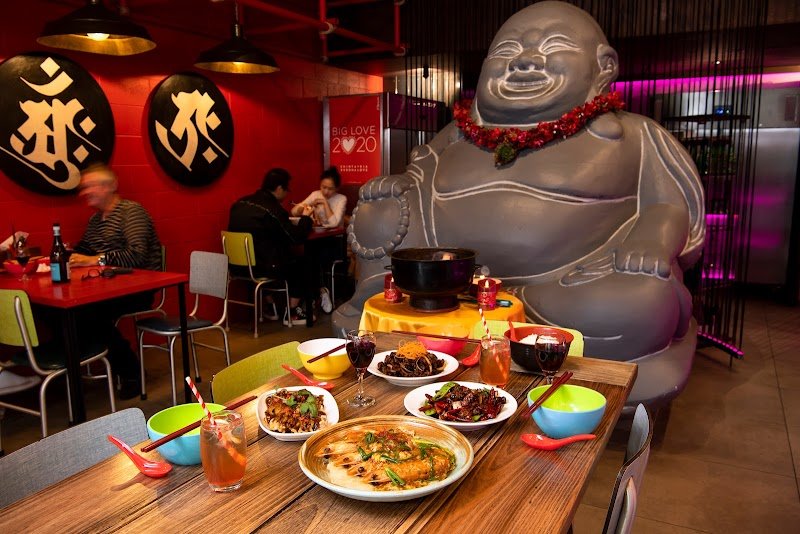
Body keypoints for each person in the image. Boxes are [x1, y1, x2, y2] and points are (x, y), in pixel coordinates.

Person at [339, 1, 705, 365]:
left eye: (553, 46)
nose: (525, 61)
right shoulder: (456, 133)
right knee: (379, 210)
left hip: (566, 289)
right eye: (507, 51)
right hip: (446, 286)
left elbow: (669, 205)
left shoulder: (634, 135)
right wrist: (395, 189)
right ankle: (385, 307)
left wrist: (651, 240)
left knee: (639, 304)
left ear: (604, 66)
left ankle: (504, 316)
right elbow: (417, 178)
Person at [68, 162, 163, 399]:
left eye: (91, 186)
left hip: (138, 290)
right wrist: (66, 256)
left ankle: (131, 373)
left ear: (110, 186)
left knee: (87, 315)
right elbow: (84, 250)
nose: (85, 192)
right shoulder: (95, 220)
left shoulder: (131, 212)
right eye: (84, 187)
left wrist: (96, 259)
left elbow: (137, 256)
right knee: (64, 314)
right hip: (105, 288)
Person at [228, 167, 317, 325]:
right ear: (279, 188)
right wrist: (306, 218)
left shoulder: (239, 204)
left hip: (237, 267)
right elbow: (295, 238)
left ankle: (271, 307)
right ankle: (292, 313)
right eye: (287, 190)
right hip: (263, 269)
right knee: (302, 263)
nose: (286, 194)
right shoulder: (273, 209)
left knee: (266, 255)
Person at [290, 167, 347, 312]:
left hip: (336, 241)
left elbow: (334, 223)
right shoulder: (315, 194)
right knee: (306, 257)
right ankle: (320, 291)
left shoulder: (341, 199)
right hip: (317, 241)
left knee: (312, 256)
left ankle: (317, 293)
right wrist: (304, 207)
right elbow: (294, 212)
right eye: (323, 187)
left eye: (330, 188)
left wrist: (325, 204)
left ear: (337, 188)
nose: (326, 191)